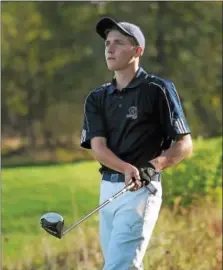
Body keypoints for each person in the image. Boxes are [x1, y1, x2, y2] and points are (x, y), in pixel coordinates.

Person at [80, 17, 193, 270]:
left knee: (118, 267)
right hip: (108, 191)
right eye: (107, 43)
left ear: (137, 51)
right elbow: (98, 148)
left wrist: (153, 165)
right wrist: (124, 168)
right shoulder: (97, 98)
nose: (109, 48)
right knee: (123, 265)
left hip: (140, 192)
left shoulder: (158, 89)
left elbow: (184, 144)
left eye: (118, 43)